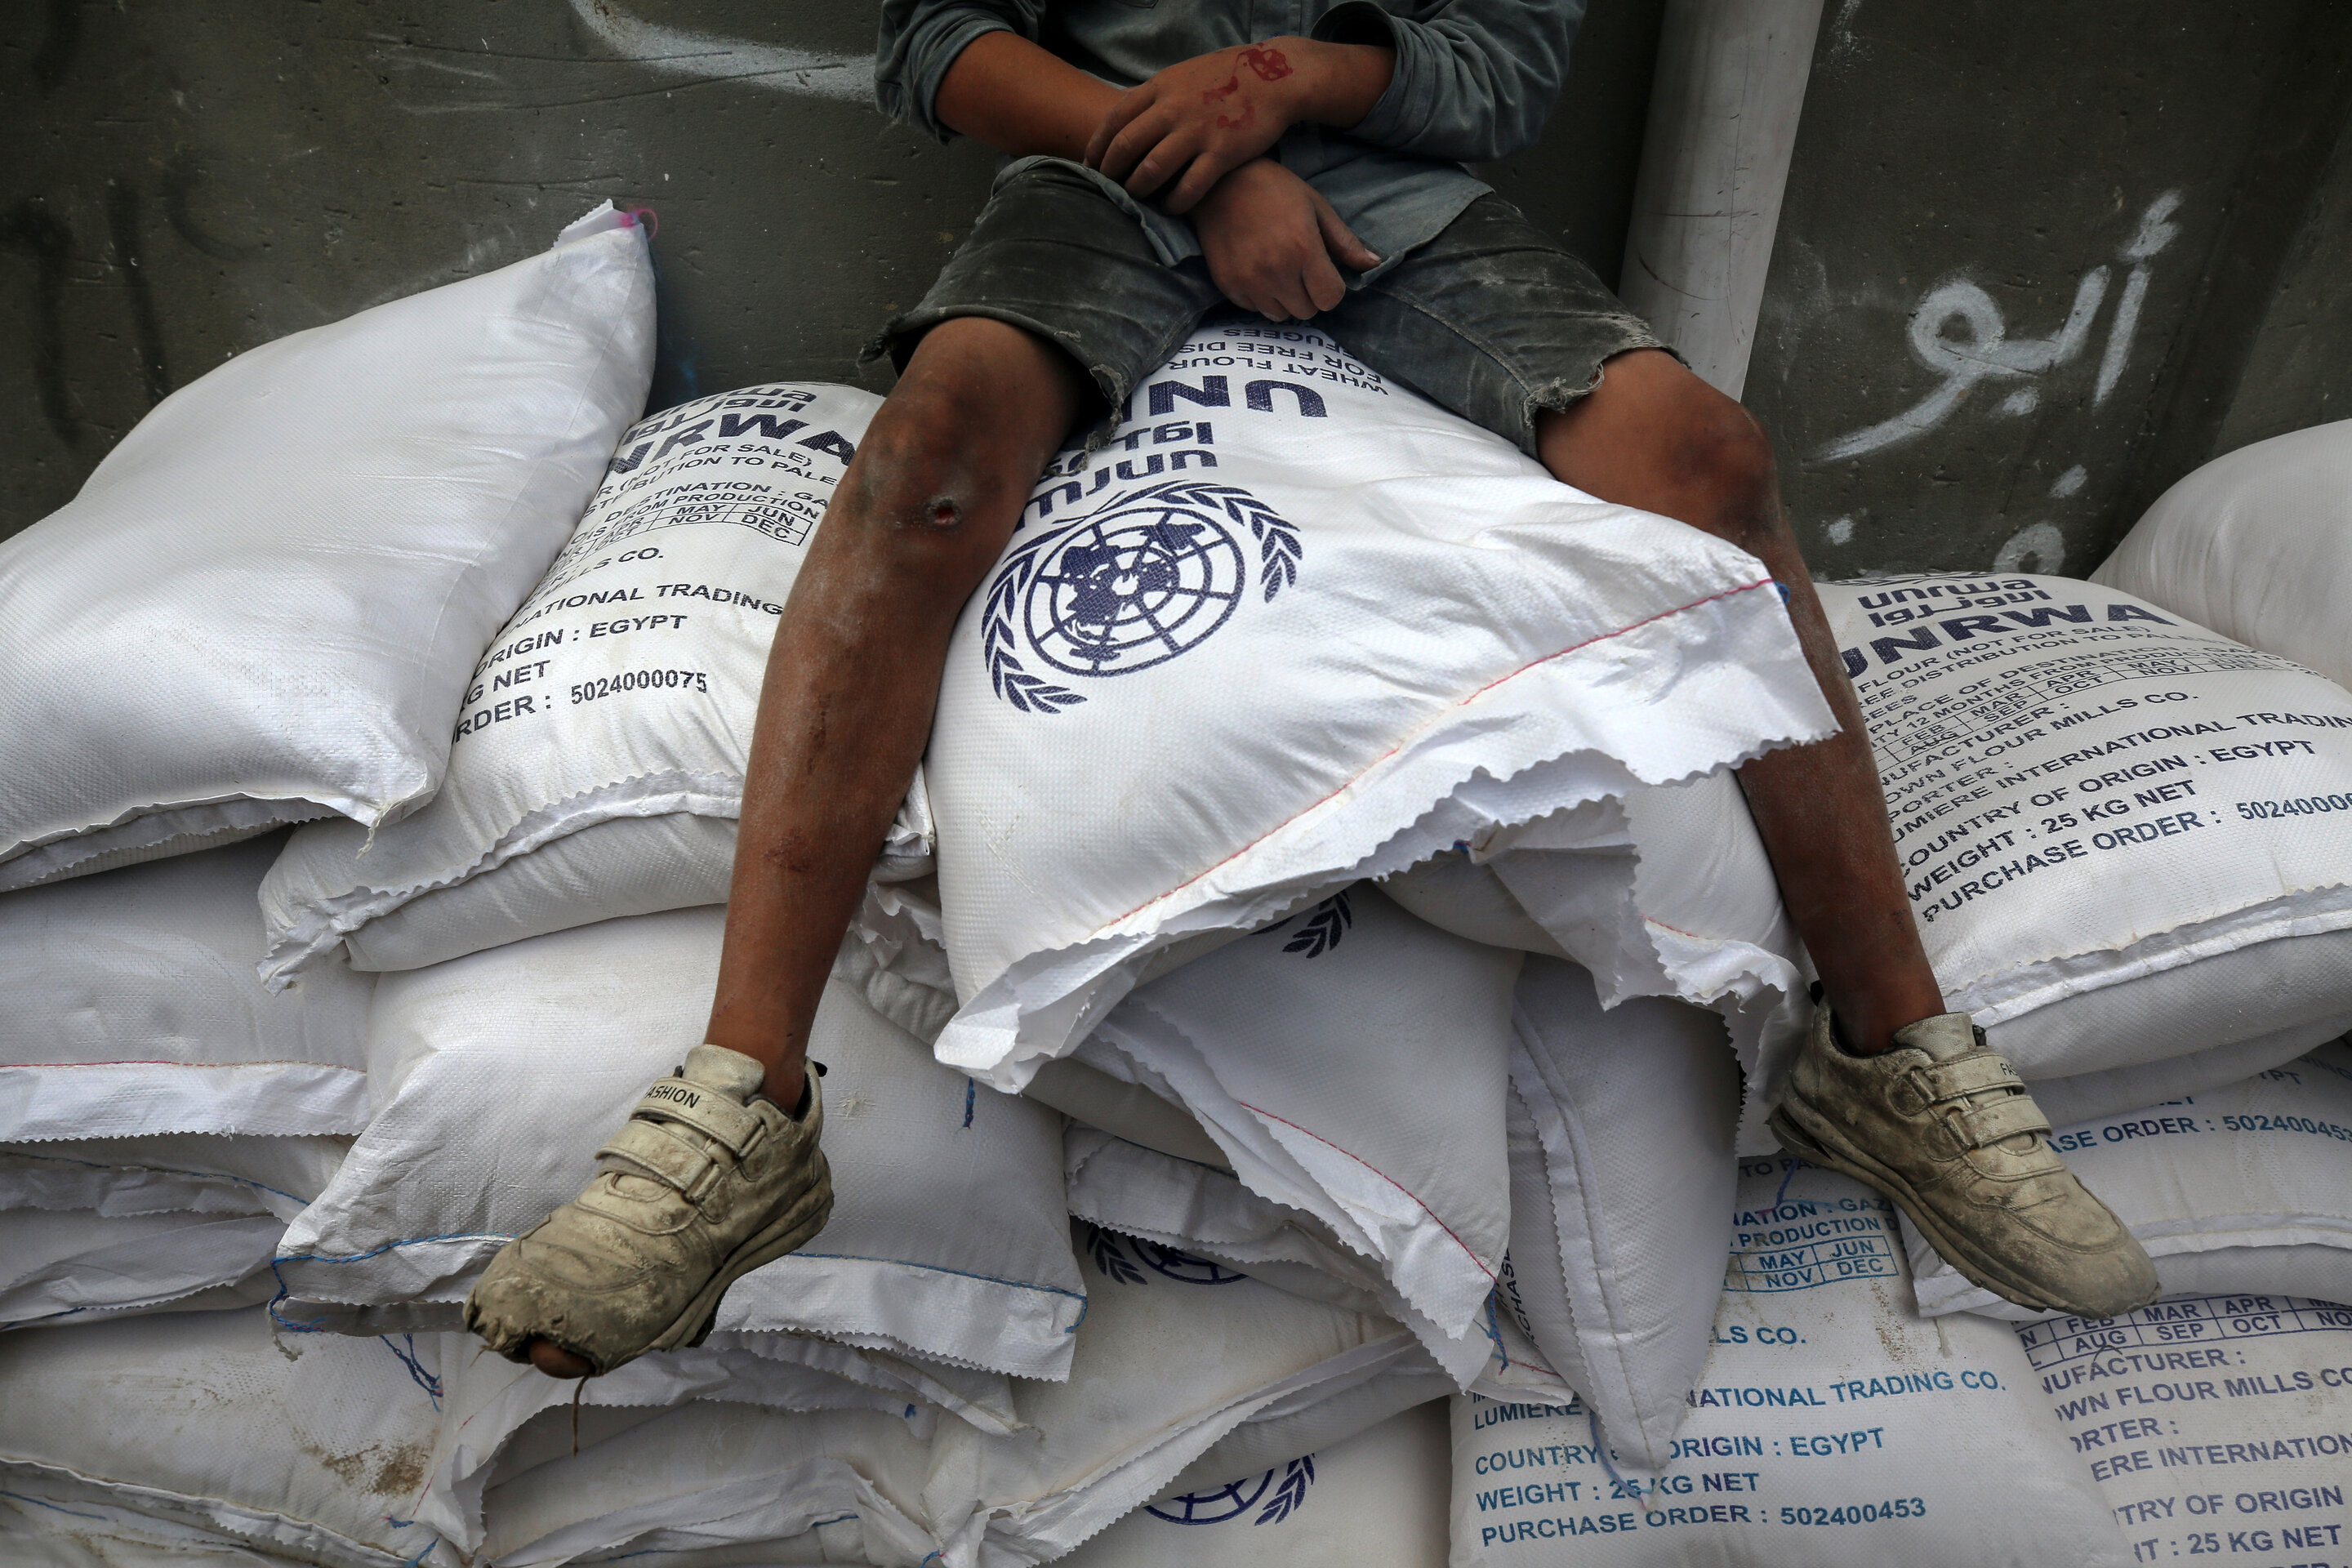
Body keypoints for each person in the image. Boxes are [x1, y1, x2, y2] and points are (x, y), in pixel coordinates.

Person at [462, 0, 2158, 1379]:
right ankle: (740, 1110)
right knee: (924, 457)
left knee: (1705, 456)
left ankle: (1891, 1046)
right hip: (1088, 186)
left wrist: (1274, 91)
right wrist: (1192, 167)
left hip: (1397, 205)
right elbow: (936, 43)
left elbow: (1502, 63)